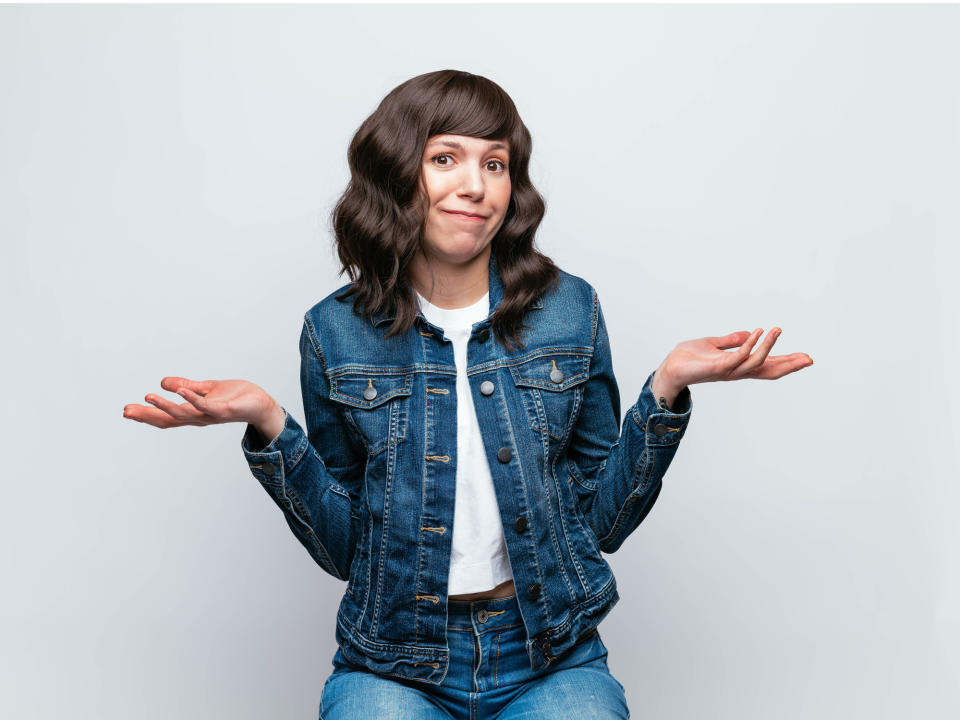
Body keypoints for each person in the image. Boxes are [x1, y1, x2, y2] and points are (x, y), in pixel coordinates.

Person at [123, 70, 812, 719]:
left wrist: (666, 391)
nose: (476, 186)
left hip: (551, 654)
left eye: (495, 163)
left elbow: (602, 523)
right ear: (399, 175)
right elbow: (344, 553)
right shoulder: (334, 331)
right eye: (445, 159)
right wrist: (271, 426)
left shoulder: (569, 309)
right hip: (392, 661)